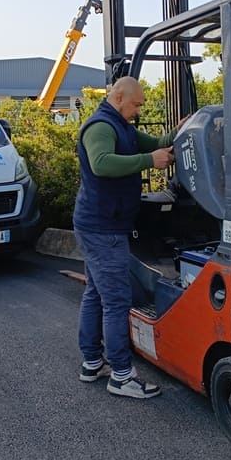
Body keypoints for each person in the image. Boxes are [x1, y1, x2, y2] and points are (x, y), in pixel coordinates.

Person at [74, 76, 188, 399]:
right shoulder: (101, 127)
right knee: (116, 300)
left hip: (102, 224)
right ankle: (121, 376)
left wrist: (180, 129)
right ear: (119, 97)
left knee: (96, 293)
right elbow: (101, 164)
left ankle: (92, 362)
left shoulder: (122, 126)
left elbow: (155, 143)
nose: (139, 111)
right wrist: (148, 162)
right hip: (102, 228)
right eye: (136, 104)